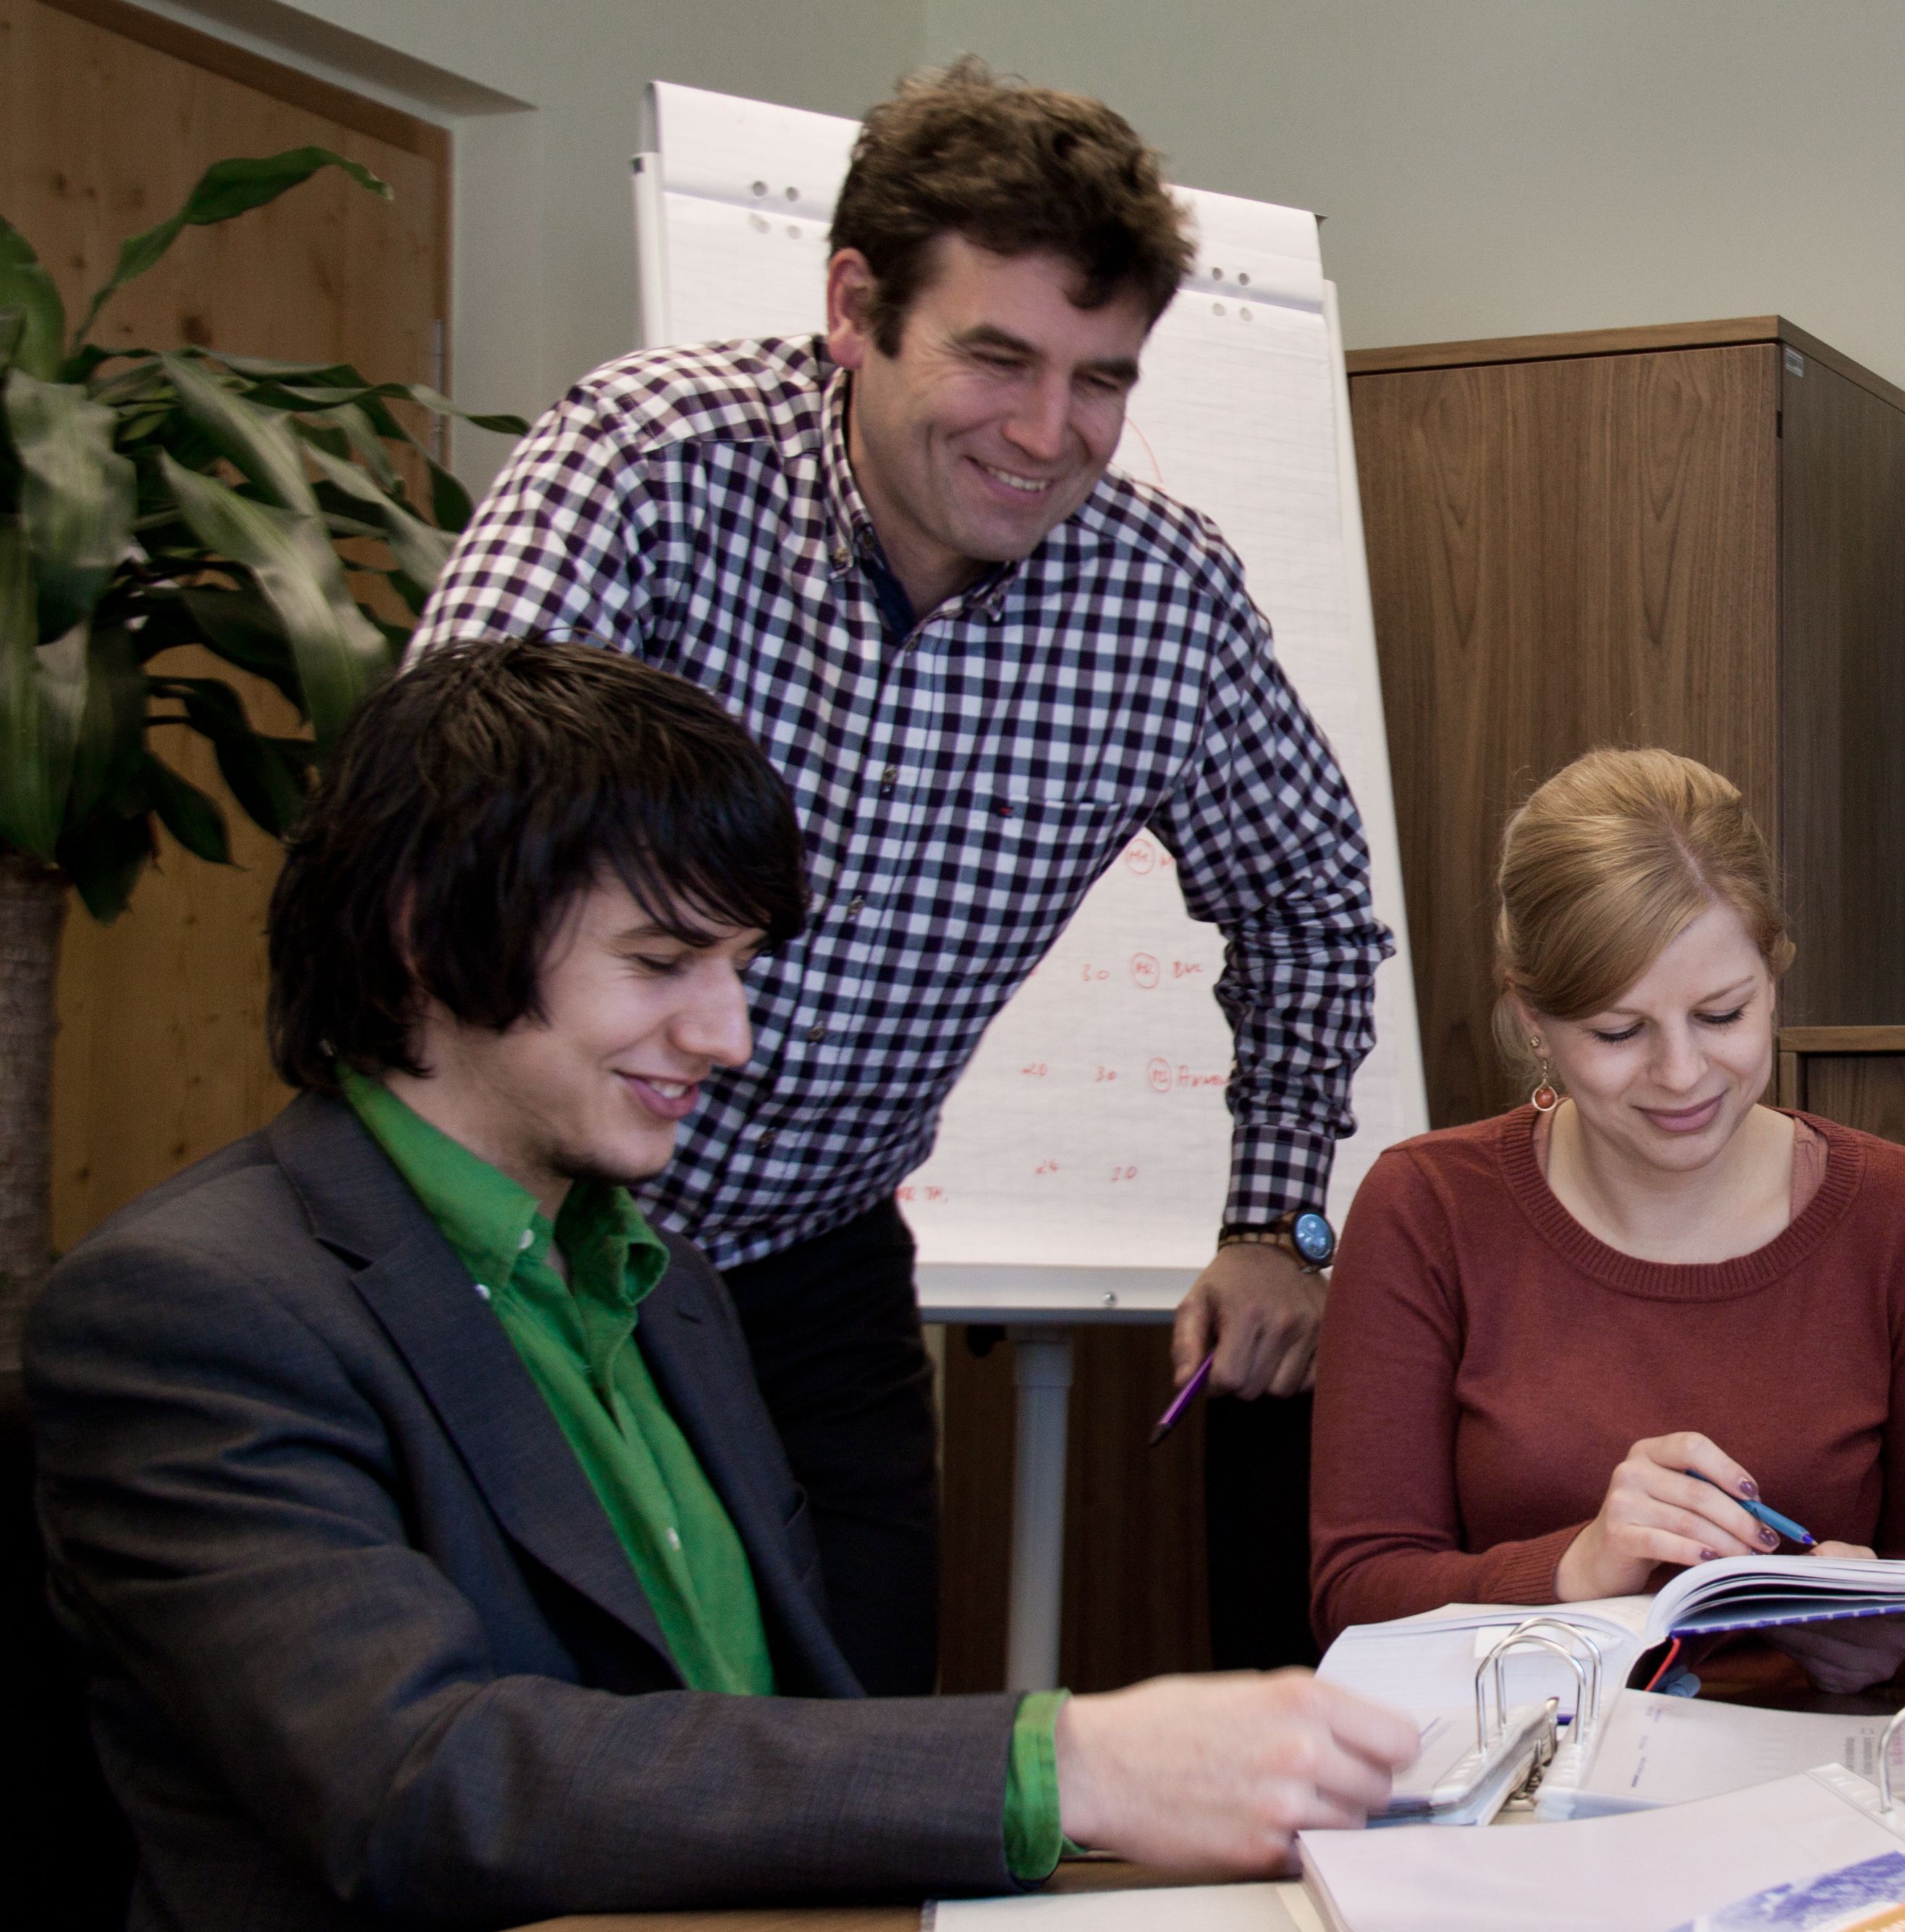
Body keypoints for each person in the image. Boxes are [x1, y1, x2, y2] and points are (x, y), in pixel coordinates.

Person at [25, 643, 1414, 1929]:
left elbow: (764, 1742)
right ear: (423, 931)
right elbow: (424, 1779)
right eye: (661, 961)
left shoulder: (667, 1281)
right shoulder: (192, 1308)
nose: (730, 1032)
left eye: (740, 965)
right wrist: (1069, 1762)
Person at [415, 59, 1385, 1692]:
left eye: (1099, 379)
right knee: (537, 1738)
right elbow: (442, 832)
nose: (1043, 432)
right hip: (524, 1243)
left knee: (855, 1731)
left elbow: (1304, 894)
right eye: (994, 356)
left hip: (811, 1261)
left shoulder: (1160, 600)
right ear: (852, 305)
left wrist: (1274, 1219)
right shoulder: (649, 464)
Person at [1309, 749, 1905, 1694]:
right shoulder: (1425, 1209)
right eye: (1617, 1031)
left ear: (1773, 979)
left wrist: (1896, 1624)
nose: (1681, 1074)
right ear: (1532, 1019)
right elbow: (1354, 1597)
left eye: (1721, 1014)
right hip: (1516, 1800)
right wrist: (1578, 1572)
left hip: (1814, 1796)